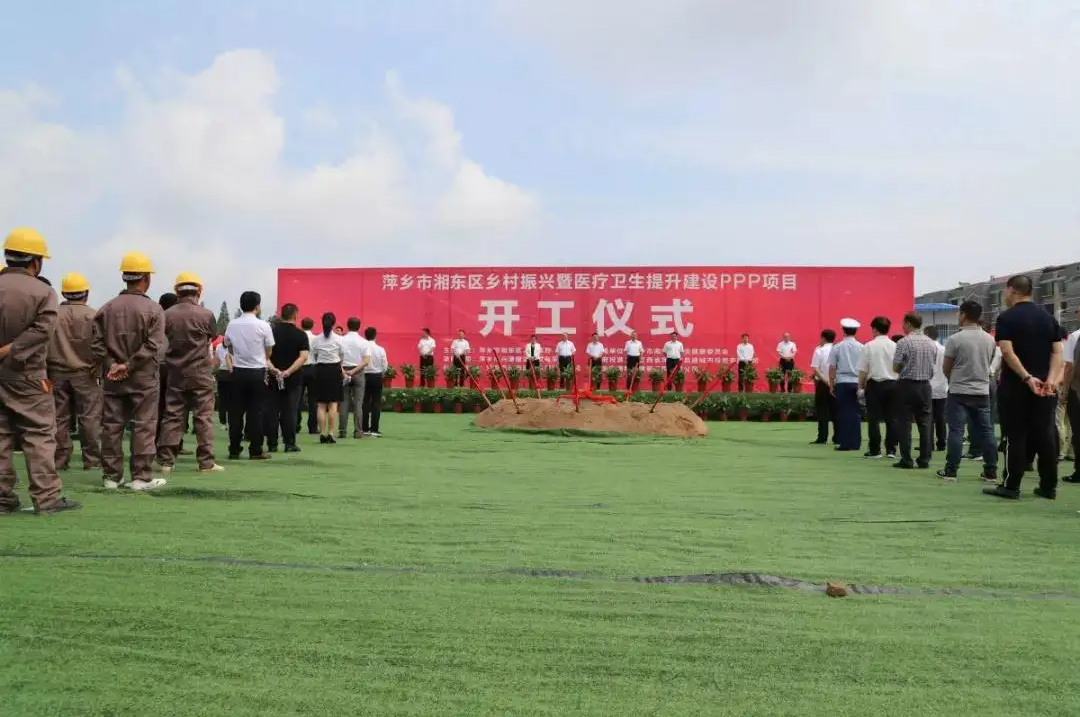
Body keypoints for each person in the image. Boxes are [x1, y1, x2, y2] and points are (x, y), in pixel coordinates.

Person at [0, 227, 79, 514]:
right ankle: (46, 498)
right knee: (39, 434)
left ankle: (2, 499)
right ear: (36, 262)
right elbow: (43, 330)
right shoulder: (44, 292)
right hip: (28, 376)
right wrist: (12, 351)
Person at [91, 251, 168, 491]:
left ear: (125, 277)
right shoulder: (154, 310)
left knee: (111, 426)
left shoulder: (106, 308)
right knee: (144, 425)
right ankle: (141, 477)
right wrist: (130, 365)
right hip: (143, 378)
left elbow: (96, 344)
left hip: (113, 377)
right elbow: (154, 345)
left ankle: (111, 477)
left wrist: (113, 364)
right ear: (146, 278)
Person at [984, 275, 1063, 500]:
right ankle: (1048, 486)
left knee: (1014, 436)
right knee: (1045, 436)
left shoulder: (1007, 318)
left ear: (1012, 290)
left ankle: (1011, 485)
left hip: (1017, 387)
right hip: (1045, 388)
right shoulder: (1047, 318)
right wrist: (1052, 380)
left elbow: (1007, 352)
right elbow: (1057, 352)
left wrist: (1027, 378)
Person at [157, 272, 222, 476]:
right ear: (199, 291)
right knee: (203, 417)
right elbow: (214, 336)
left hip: (175, 372)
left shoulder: (167, 315)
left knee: (172, 416)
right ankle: (206, 462)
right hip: (201, 372)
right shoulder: (206, 314)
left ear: (177, 291)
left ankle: (166, 461)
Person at [47, 271, 102, 471]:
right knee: (89, 418)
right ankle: (92, 460)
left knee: (58, 419)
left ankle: (60, 460)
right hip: (85, 373)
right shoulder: (94, 315)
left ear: (64, 293)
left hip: (56, 373)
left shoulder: (53, 315)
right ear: (85, 293)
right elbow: (102, 346)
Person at [937, 300, 998, 482]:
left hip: (959, 390)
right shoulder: (989, 339)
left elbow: (946, 367)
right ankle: (991, 470)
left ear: (963, 315)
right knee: (986, 431)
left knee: (956, 431)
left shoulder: (955, 339)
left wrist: (953, 378)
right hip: (981, 390)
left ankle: (951, 470)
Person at [223, 290, 274, 461]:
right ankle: (256, 449)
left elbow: (228, 346)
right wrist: (262, 357)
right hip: (257, 372)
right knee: (256, 412)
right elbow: (269, 349)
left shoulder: (232, 324)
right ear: (257, 306)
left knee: (235, 412)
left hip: (238, 371)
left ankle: (234, 449)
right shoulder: (263, 326)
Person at [892, 312, 937, 470]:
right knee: (925, 423)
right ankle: (924, 458)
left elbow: (896, 367)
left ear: (908, 323)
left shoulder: (903, 342)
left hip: (907, 385)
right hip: (925, 385)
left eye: (903, 323)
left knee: (904, 423)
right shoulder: (931, 343)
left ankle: (906, 459)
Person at [264, 302, 309, 453]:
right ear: (295, 315)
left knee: (272, 410)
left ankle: (272, 444)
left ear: (281, 315)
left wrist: (274, 369)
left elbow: (264, 355)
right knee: (289, 411)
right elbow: (303, 357)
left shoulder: (271, 332)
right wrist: (289, 371)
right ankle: (289, 443)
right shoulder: (301, 334)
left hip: (273, 377)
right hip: (293, 378)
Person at [858, 316, 898, 459]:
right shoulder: (895, 346)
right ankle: (891, 450)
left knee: (873, 419)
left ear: (874, 329)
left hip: (874, 385)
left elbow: (863, 370)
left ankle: (875, 450)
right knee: (892, 418)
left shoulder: (868, 346)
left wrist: (860, 386)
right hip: (893, 385)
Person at [310, 312, 345, 443]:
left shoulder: (316, 339)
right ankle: (331, 433)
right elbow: (342, 355)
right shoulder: (339, 339)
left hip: (320, 370)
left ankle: (322, 433)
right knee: (333, 403)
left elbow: (313, 355)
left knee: (321, 404)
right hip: (334, 369)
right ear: (334, 323)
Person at [829, 318, 864, 452]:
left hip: (842, 382)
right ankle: (855, 443)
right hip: (856, 381)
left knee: (843, 413)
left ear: (843, 330)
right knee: (855, 413)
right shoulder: (861, 347)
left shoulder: (837, 346)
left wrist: (831, 385)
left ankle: (844, 443)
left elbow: (832, 367)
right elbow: (864, 368)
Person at [339, 317, 368, 439]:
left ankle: (342, 431)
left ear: (347, 325)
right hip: (358, 371)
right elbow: (366, 361)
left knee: (343, 403)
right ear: (359, 326)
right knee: (358, 404)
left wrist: (345, 372)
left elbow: (336, 358)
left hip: (343, 371)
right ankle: (358, 432)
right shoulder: (363, 342)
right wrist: (354, 371)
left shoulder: (340, 340)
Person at [809, 329, 836, 445]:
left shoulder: (819, 350)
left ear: (823, 338)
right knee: (835, 410)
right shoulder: (837, 349)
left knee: (822, 411)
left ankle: (822, 437)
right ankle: (838, 437)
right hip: (835, 383)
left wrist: (825, 380)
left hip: (822, 384)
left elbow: (816, 368)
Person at [360, 326, 387, 437]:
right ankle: (374, 429)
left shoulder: (362, 348)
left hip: (364, 376)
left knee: (365, 402)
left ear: (365, 336)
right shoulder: (380, 349)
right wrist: (382, 373)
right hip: (376, 376)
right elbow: (384, 365)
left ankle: (365, 428)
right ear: (375, 335)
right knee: (376, 403)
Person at [1063, 317, 1080, 483]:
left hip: (1077, 390)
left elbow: (1069, 366)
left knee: (1078, 432)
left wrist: (1064, 391)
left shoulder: (1075, 336)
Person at [926, 326, 949, 451]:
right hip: (941, 386)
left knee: (928, 417)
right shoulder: (943, 349)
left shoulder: (925, 349)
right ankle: (941, 442)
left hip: (928, 386)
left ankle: (928, 443)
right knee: (940, 417)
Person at [296, 317, 318, 434]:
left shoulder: (298, 336)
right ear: (312, 325)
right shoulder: (316, 339)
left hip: (299, 368)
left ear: (301, 325)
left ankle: (296, 425)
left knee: (297, 398)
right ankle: (313, 427)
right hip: (312, 368)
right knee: (313, 400)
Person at [213, 335, 231, 425]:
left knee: (228, 398)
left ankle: (227, 419)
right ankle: (223, 419)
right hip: (223, 372)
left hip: (230, 372)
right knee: (223, 398)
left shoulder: (231, 347)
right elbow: (216, 361)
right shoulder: (219, 347)